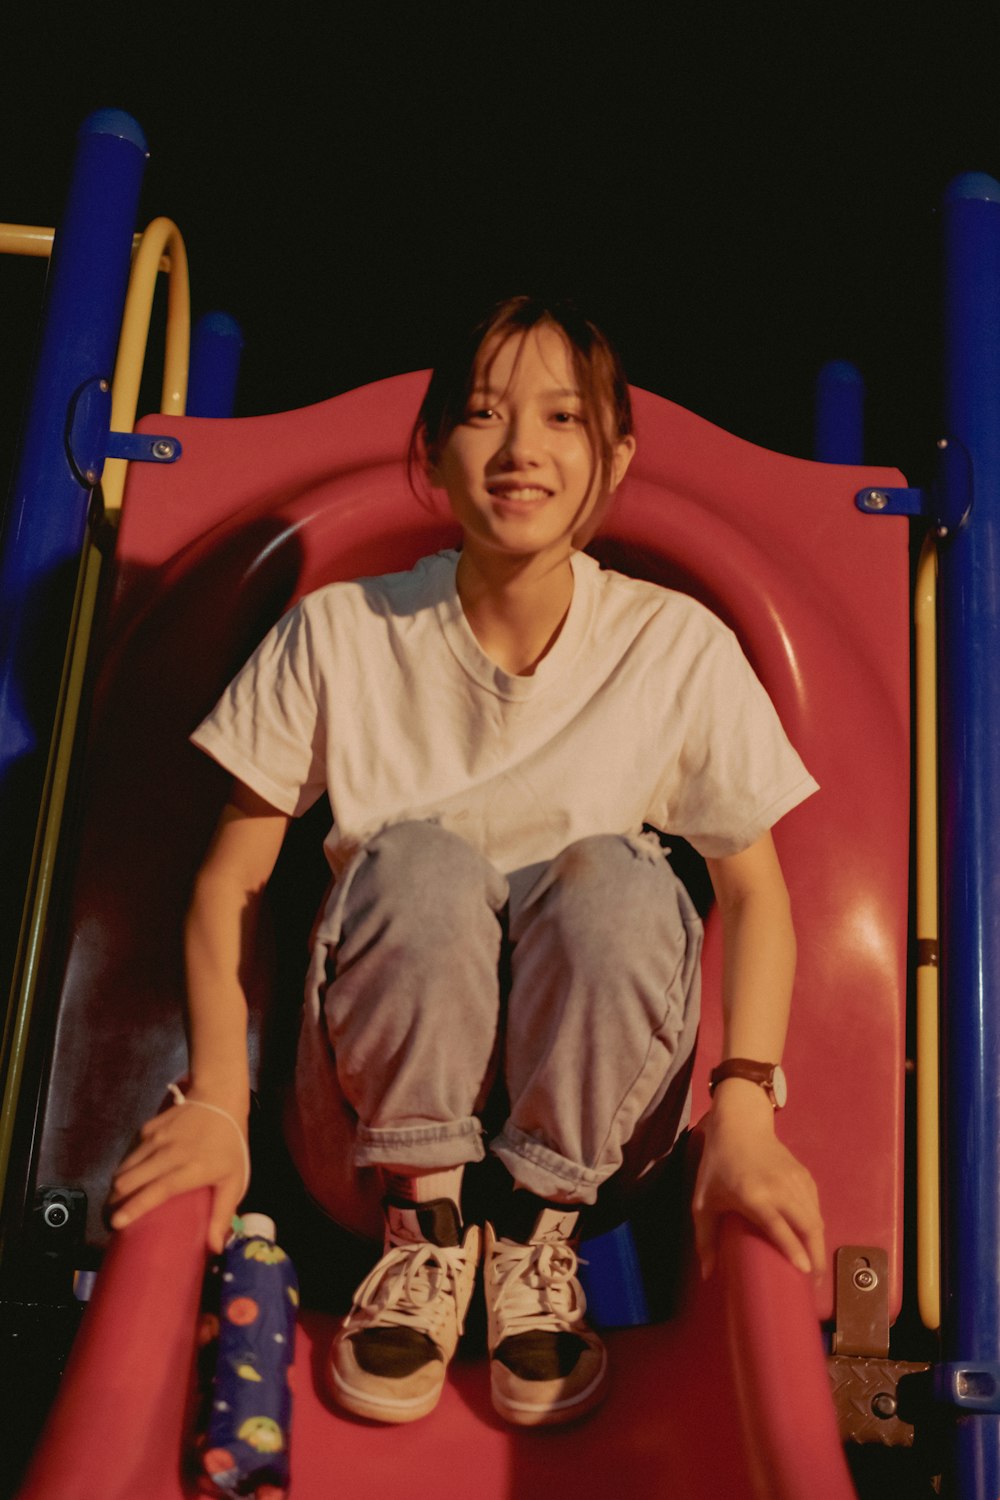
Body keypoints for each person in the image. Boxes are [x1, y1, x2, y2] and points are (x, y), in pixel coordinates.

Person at [108, 295, 825, 1430]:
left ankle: (538, 1248)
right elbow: (227, 879)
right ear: (435, 447)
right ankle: (426, 1235)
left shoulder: (672, 646)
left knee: (619, 877)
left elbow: (756, 893)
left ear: (616, 454)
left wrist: (742, 1109)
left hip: (591, 1147)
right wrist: (216, 1102)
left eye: (562, 421)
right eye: (485, 416)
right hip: (364, 1131)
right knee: (421, 866)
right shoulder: (343, 634)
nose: (521, 451)